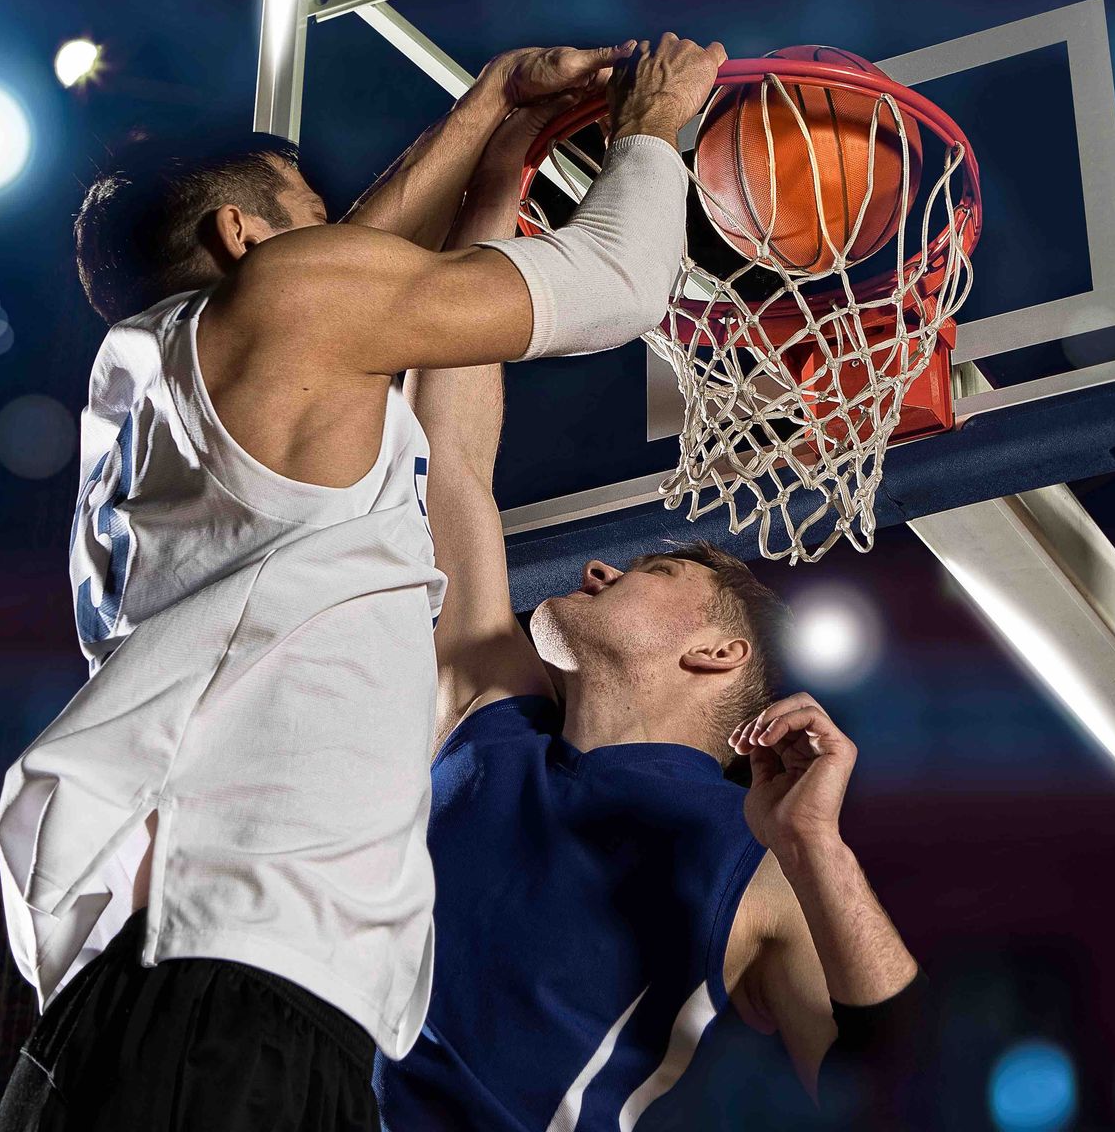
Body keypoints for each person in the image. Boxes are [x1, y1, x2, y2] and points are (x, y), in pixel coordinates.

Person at [0, 34, 727, 1132]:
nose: (351, 243)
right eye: (315, 215)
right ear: (243, 237)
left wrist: (491, 129)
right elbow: (616, 284)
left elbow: (366, 275)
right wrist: (654, 123)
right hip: (227, 990)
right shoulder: (283, 308)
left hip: (172, 993)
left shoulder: (158, 391)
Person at [373, 118, 924, 1130]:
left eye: (651, 569)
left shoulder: (758, 863)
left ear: (717, 652)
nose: (596, 566)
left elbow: (885, 1082)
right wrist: (499, 175)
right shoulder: (489, 711)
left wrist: (817, 845)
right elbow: (447, 454)